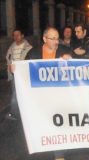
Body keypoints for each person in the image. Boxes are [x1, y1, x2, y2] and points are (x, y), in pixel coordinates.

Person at [25, 27, 72, 160]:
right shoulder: (33, 53)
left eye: (57, 38)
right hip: (39, 101)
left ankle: (59, 155)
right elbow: (23, 71)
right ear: (44, 39)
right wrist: (15, 69)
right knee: (42, 128)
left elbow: (78, 66)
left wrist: (71, 59)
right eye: (53, 38)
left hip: (59, 100)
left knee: (58, 127)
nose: (57, 41)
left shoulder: (65, 51)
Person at [5, 29, 33, 120]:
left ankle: (14, 113)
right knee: (15, 94)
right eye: (14, 35)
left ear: (22, 36)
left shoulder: (28, 48)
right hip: (14, 75)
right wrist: (9, 66)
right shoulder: (11, 47)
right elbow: (8, 59)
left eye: (18, 35)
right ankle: (20, 112)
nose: (16, 37)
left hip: (24, 75)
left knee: (18, 95)